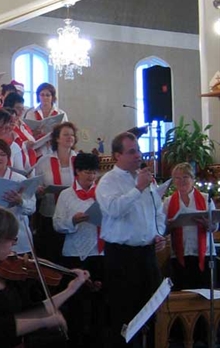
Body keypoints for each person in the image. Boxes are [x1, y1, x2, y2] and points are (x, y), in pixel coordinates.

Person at [0, 201, 89, 348]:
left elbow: (30, 311)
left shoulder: (3, 272)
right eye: (13, 240)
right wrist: (43, 321)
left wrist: (71, 289)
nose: (14, 245)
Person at [95, 132, 167, 348]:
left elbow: (158, 212)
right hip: (122, 256)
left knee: (152, 309)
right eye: (132, 151)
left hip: (147, 254)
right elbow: (113, 209)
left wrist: (158, 233)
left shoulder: (144, 178)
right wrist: (138, 189)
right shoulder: (108, 181)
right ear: (117, 155)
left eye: (138, 150)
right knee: (125, 312)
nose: (138, 155)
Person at [53, 152, 107, 347]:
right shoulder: (66, 195)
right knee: (75, 305)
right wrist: (73, 220)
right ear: (77, 171)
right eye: (86, 172)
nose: (91, 176)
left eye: (94, 172)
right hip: (73, 254)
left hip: (97, 253)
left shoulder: (102, 193)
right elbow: (57, 224)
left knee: (97, 304)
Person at [164, 162, 218, 290]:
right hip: (179, 255)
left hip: (204, 254)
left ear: (192, 179)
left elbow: (215, 227)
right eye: (177, 178)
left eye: (185, 177)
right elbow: (162, 229)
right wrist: (169, 225)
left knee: (204, 293)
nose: (181, 181)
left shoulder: (206, 199)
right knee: (183, 293)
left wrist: (208, 224)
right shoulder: (168, 202)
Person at [33, 122, 78, 263]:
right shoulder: (44, 161)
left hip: (72, 215)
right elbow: (35, 184)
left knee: (70, 259)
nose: (70, 137)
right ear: (57, 138)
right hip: (49, 213)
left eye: (72, 135)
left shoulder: (79, 161)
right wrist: (39, 190)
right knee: (52, 255)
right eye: (66, 134)